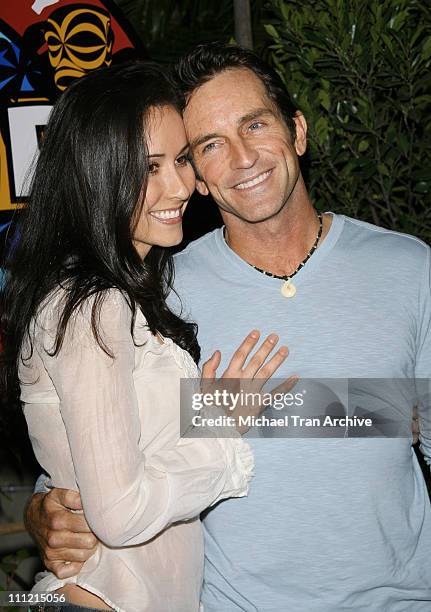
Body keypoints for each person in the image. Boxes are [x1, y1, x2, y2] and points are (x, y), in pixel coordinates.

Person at [25, 43, 431, 611]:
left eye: (255, 124)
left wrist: (373, 409)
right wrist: (46, 508)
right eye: (209, 145)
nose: (242, 158)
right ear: (199, 176)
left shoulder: (410, 269)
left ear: (298, 132)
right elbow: (96, 446)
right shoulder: (156, 294)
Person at [0, 60, 296, 612]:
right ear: (97, 174)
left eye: (181, 159)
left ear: (299, 132)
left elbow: (115, 448)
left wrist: (381, 409)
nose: (181, 184)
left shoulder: (143, 288)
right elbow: (115, 508)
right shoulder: (96, 303)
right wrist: (222, 430)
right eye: (148, 167)